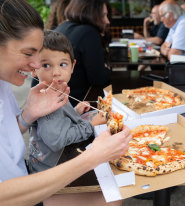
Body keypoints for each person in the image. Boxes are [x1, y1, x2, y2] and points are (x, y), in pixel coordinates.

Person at [0, 0, 131, 206]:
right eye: (28, 53)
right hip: (24, 193)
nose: (35, 66)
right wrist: (93, 156)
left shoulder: (4, 84)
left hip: (26, 177)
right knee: (112, 198)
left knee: (114, 195)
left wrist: (27, 117)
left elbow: (5, 137)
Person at [28, 30, 106, 174]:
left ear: (72, 66)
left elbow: (59, 122)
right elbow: (57, 141)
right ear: (33, 69)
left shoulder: (56, 90)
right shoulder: (45, 103)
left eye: (62, 64)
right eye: (46, 65)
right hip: (49, 171)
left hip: (57, 160)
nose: (56, 72)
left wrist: (75, 111)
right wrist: (91, 125)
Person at [55, 0, 111, 106]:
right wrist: (107, 69)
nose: (107, 21)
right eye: (103, 16)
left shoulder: (62, 27)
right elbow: (98, 79)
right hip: (75, 105)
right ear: (92, 14)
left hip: (54, 101)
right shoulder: (89, 33)